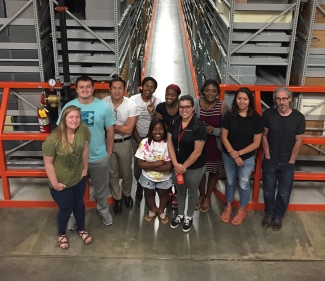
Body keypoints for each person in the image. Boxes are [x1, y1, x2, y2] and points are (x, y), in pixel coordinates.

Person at [58, 76, 115, 228]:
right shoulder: (68, 107)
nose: (85, 89)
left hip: (98, 156)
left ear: (93, 88)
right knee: (72, 189)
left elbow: (110, 131)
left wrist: (108, 153)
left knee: (101, 186)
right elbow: (61, 131)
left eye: (88, 86)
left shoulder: (103, 107)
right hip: (74, 159)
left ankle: (103, 209)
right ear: (76, 89)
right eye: (81, 87)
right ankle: (72, 215)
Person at [42, 105, 92, 249]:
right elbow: (48, 164)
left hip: (79, 179)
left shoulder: (83, 128)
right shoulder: (53, 139)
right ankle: (61, 234)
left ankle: (81, 229)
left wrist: (85, 168)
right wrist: (55, 184)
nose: (75, 120)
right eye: (71, 117)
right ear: (64, 119)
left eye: (77, 117)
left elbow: (85, 149)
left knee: (79, 206)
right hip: (62, 184)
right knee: (65, 210)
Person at [262, 86, 305, 231]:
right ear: (275, 100)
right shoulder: (268, 114)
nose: (281, 102)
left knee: (284, 191)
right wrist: (267, 155)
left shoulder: (298, 117)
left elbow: (298, 140)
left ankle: (278, 216)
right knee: (268, 190)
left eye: (284, 98)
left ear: (290, 99)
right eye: (278, 99)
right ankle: (269, 214)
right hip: (271, 160)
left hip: (288, 162)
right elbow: (264, 136)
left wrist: (292, 160)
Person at [220, 87, 264, 226]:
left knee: (244, 184)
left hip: (247, 158)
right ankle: (228, 206)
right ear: (235, 100)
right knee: (230, 182)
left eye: (245, 99)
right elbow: (224, 137)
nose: (242, 101)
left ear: (250, 101)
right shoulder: (229, 115)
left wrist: (239, 154)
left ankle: (242, 209)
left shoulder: (256, 119)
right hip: (228, 155)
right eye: (239, 98)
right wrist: (233, 154)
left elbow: (256, 143)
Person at [167, 95, 207, 232]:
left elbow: (197, 152)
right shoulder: (174, 122)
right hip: (177, 165)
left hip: (194, 167)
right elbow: (170, 143)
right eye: (182, 107)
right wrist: (175, 164)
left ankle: (189, 216)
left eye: (187, 107)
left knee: (192, 192)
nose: (184, 110)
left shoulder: (199, 126)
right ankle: (179, 214)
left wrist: (182, 167)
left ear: (193, 108)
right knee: (180, 190)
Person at [102, 77, 138, 216]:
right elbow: (101, 126)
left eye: (120, 88)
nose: (117, 91)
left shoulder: (130, 105)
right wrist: (119, 127)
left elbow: (129, 130)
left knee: (127, 172)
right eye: (114, 88)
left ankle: (127, 195)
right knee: (112, 173)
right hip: (107, 142)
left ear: (124, 89)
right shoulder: (104, 103)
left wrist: (110, 126)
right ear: (110, 89)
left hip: (125, 143)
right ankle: (117, 198)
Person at [194, 79, 227, 212]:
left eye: (214, 91)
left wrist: (215, 131)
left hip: (215, 144)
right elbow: (190, 121)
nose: (210, 94)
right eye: (207, 90)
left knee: (214, 171)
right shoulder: (196, 103)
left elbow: (227, 128)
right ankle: (201, 195)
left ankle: (208, 197)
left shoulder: (223, 106)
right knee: (200, 171)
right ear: (203, 91)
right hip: (199, 144)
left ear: (218, 93)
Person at [135, 118, 172, 224]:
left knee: (163, 194)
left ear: (164, 130)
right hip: (147, 177)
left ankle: (161, 210)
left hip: (164, 178)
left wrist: (147, 165)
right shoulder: (145, 142)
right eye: (154, 129)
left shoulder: (168, 144)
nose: (157, 132)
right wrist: (157, 163)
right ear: (150, 130)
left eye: (160, 129)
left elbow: (168, 167)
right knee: (149, 193)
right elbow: (139, 164)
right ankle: (153, 209)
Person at [130, 77, 161, 200]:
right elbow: (132, 122)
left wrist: (151, 112)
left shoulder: (157, 101)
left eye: (152, 87)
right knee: (138, 164)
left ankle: (150, 186)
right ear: (142, 86)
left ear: (154, 89)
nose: (149, 89)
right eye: (146, 86)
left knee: (151, 162)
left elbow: (157, 122)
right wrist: (139, 142)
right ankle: (139, 184)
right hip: (137, 136)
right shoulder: (133, 100)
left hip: (152, 138)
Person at [156, 84, 181, 209]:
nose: (169, 97)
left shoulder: (181, 107)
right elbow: (159, 126)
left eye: (172, 95)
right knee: (167, 167)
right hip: (164, 143)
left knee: (176, 167)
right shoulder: (160, 107)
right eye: (167, 94)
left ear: (177, 96)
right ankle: (168, 191)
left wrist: (170, 129)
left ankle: (176, 192)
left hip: (179, 143)